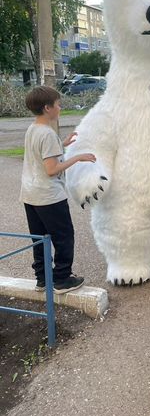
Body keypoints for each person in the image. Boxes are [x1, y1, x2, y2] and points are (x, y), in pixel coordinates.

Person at [20, 86, 96, 294]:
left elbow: (42, 154)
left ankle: (42, 279)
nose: (60, 107)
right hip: (49, 197)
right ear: (47, 108)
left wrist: (63, 143)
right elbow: (52, 169)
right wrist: (78, 157)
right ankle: (62, 279)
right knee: (63, 236)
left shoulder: (33, 129)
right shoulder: (48, 134)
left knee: (39, 238)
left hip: (30, 195)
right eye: (58, 104)